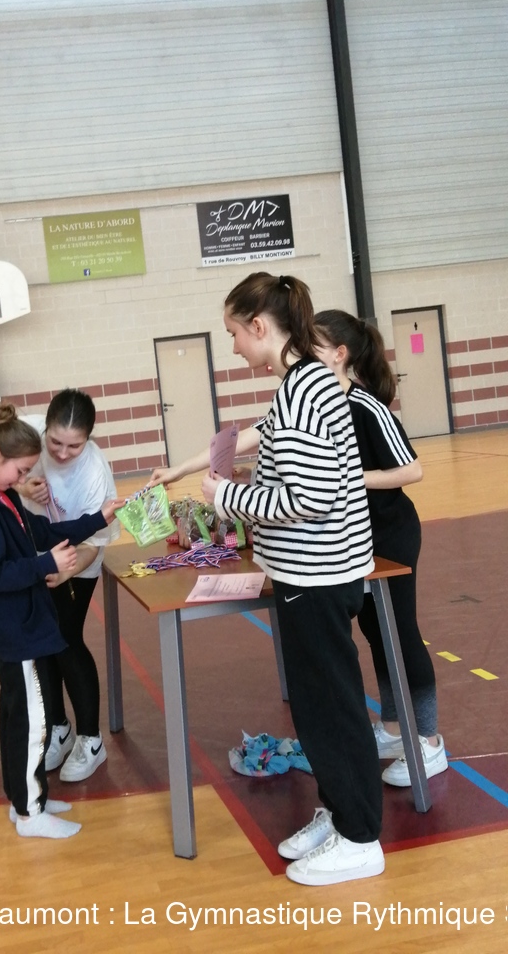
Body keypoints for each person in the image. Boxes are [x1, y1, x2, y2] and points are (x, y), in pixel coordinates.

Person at [200, 271, 383, 887]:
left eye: (234, 333)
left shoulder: (304, 389)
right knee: (318, 706)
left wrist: (229, 496)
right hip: (314, 571)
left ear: (259, 326)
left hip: (318, 574)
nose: (233, 347)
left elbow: (308, 498)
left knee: (331, 709)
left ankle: (360, 837)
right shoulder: (302, 384)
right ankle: (339, 812)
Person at [0, 403, 123, 839]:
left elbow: (40, 533)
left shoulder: (0, 495)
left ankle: (25, 796)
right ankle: (30, 813)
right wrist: (46, 564)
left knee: (18, 716)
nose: (24, 479)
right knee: (31, 722)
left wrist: (96, 520)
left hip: (19, 624)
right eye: (21, 470)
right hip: (14, 628)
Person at [313, 309, 447, 786]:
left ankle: (429, 741)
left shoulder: (366, 405)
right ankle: (393, 728)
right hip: (358, 538)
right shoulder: (319, 406)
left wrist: (350, 477)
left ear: (339, 354)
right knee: (376, 631)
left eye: (312, 347)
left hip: (392, 536)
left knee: (402, 633)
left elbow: (412, 469)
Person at [18, 389, 119, 783]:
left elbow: (93, 544)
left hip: (78, 561)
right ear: (44, 428)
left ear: (88, 438)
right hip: (34, 555)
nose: (61, 453)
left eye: (73, 446)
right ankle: (58, 728)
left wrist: (64, 572)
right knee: (40, 644)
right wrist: (24, 486)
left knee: (65, 639)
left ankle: (91, 740)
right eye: (55, 442)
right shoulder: (26, 433)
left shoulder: (95, 474)